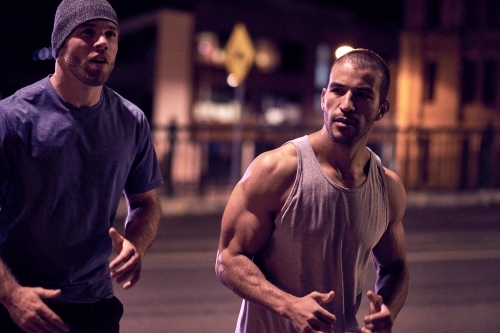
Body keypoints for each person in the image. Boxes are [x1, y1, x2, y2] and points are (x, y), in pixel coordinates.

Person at [216, 48, 409, 333]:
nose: (346, 104)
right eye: (338, 91)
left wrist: (387, 310)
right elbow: (228, 259)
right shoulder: (276, 170)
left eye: (363, 95)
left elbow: (395, 267)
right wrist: (288, 305)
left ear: (382, 108)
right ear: (323, 98)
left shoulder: (387, 188)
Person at [0, 0, 164, 332]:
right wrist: (12, 295)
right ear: (60, 44)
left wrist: (136, 244)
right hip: (23, 305)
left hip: (96, 306)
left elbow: (146, 203)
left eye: (110, 34)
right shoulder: (13, 117)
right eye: (87, 32)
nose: (102, 42)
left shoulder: (131, 121)